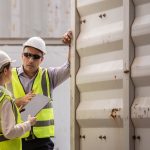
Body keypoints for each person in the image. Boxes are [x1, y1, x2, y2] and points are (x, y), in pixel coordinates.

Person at [7, 31, 72, 150]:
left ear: (42, 59)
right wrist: (19, 101)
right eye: (27, 55)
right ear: (22, 56)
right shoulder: (9, 76)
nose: (30, 60)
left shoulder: (49, 76)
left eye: (36, 57)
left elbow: (70, 67)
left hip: (42, 142)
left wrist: (71, 44)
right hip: (17, 139)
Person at [0, 50, 36, 150]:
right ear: (5, 71)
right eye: (10, 68)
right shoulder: (4, 98)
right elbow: (9, 132)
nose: (12, 71)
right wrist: (28, 123)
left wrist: (14, 112)